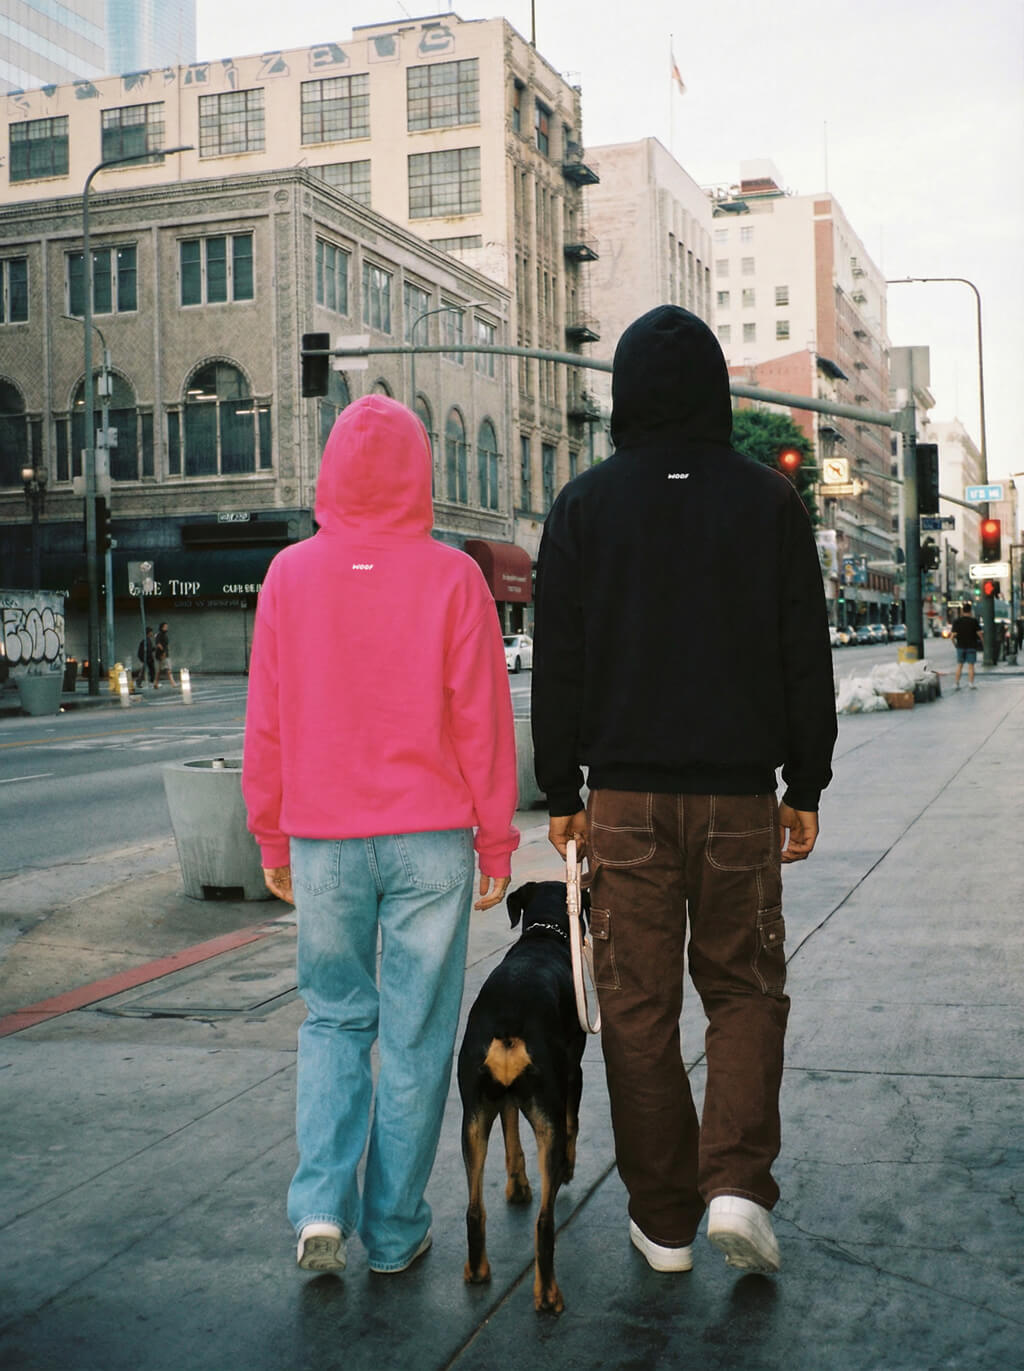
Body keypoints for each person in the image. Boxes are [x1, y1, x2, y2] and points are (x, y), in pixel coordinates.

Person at [531, 305, 837, 1277]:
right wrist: (807, 778)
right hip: (743, 797)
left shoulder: (582, 508)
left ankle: (663, 1220)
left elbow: (559, 667)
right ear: (715, 388)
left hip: (621, 800)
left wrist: (560, 790)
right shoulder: (767, 504)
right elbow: (804, 655)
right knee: (745, 988)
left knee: (635, 1006)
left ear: (622, 393)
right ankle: (737, 1186)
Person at [242, 394, 519, 1278]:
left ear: (329, 471)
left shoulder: (289, 575)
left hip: (324, 838)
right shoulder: (454, 577)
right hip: (430, 841)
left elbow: (268, 722)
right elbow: (483, 721)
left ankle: (321, 1203)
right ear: (419, 473)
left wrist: (270, 834)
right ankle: (395, 1230)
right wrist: (497, 840)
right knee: (413, 1037)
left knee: (332, 1017)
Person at [951, 603, 980, 689]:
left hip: (960, 646)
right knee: (971, 666)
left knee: (960, 665)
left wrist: (955, 645)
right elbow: (980, 634)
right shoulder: (974, 621)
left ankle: (956, 683)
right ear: (970, 611)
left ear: (962, 611)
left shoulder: (957, 621)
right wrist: (982, 642)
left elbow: (952, 637)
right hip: (971, 646)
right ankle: (971, 683)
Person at [153, 621, 176, 688]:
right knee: (168, 669)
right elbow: (158, 644)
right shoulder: (160, 635)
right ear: (162, 628)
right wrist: (163, 652)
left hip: (163, 654)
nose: (167, 628)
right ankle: (173, 683)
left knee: (160, 670)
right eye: (165, 627)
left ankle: (156, 683)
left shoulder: (163, 635)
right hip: (162, 654)